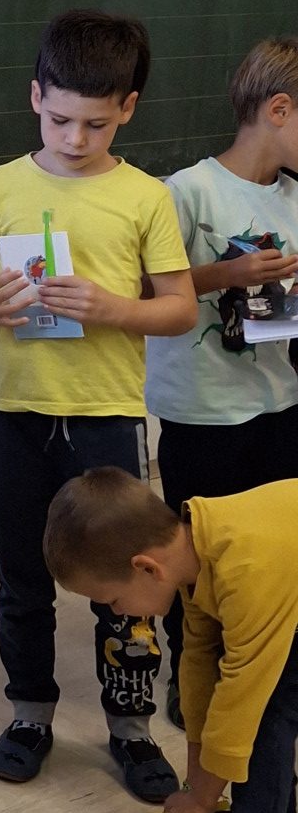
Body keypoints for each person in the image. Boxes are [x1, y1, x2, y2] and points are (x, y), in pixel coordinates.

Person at [0, 9, 196, 799]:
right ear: (35, 97)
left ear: (128, 108)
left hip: (105, 414)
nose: (75, 138)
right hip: (18, 412)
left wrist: (111, 307)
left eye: (95, 123)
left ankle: (131, 728)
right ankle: (30, 713)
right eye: (59, 120)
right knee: (21, 574)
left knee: (127, 580)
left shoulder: (145, 197)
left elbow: (180, 308)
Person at [45, 467, 298, 813]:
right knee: (252, 696)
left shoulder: (245, 566)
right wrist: (195, 788)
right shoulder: (200, 549)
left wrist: (201, 801)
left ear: (146, 568)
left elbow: (241, 700)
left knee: (266, 706)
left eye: (112, 600)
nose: (118, 612)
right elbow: (198, 672)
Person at [145, 38, 298, 726]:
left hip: (279, 402)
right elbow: (146, 290)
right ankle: (193, 677)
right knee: (198, 555)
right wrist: (225, 275)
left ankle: (265, 672)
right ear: (278, 110)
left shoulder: (293, 197)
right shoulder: (187, 191)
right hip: (201, 411)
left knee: (271, 550)